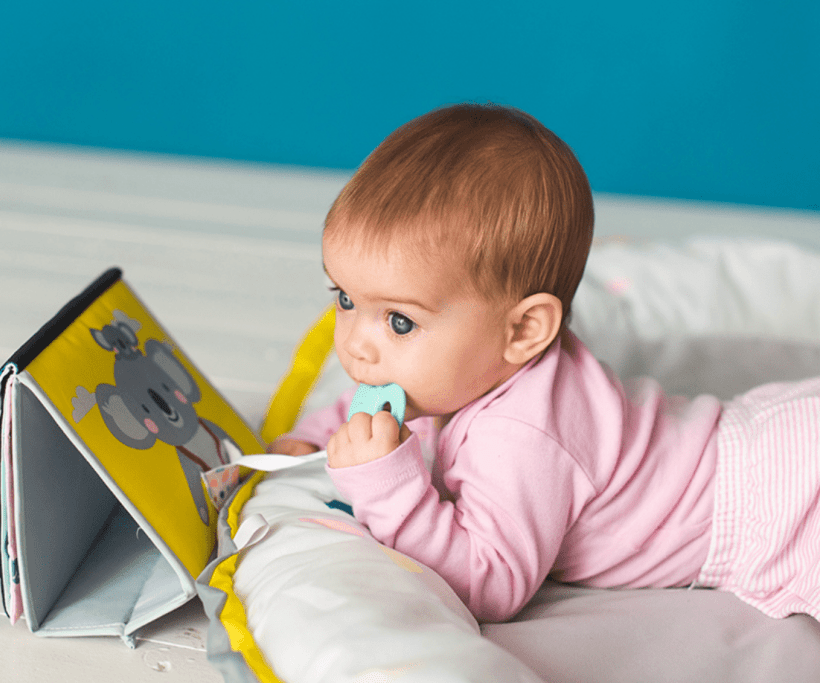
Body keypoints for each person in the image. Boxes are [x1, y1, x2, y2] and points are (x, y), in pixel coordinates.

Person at [267, 103, 820, 624]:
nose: (357, 347)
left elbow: (490, 584)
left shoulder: (521, 434)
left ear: (524, 330)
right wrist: (317, 436)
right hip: (761, 443)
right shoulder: (451, 372)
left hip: (784, 510)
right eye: (345, 300)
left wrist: (386, 486)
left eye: (400, 321)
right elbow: (368, 395)